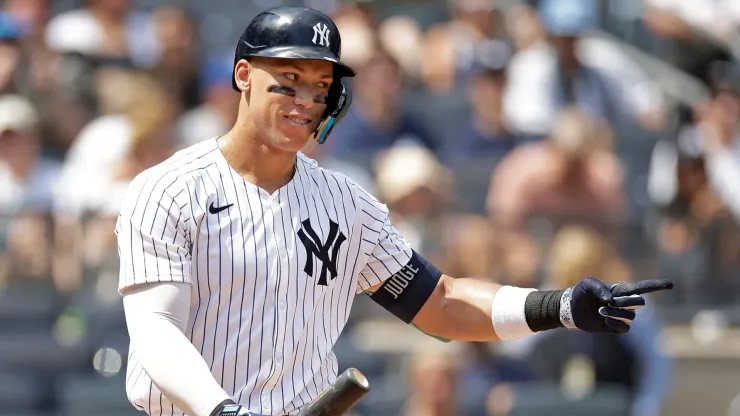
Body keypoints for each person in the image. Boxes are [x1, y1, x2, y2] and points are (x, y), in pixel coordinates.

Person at [115, 7, 673, 416]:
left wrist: (560, 306)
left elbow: (443, 304)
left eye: (320, 85)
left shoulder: (346, 203)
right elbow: (156, 329)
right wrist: (223, 411)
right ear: (243, 76)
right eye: (288, 82)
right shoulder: (168, 190)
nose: (306, 100)